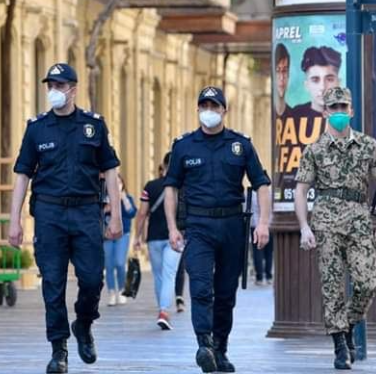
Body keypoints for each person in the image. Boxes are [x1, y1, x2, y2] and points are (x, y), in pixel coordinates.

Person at [8, 63, 122, 374]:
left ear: (73, 89)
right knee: (53, 284)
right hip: (49, 212)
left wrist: (116, 215)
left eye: (59, 86)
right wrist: (14, 219)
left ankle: (83, 323)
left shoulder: (94, 126)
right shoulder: (37, 128)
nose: (54, 92)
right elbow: (22, 175)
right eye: (50, 86)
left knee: (91, 279)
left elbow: (110, 169)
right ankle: (59, 349)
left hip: (86, 211)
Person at [164, 86, 271, 373]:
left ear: (225, 110)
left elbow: (261, 183)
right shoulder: (184, 146)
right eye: (204, 106)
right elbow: (171, 187)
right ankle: (204, 344)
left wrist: (263, 223)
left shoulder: (241, 145)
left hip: (233, 226)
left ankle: (220, 348)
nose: (208, 111)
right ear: (198, 109)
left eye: (214, 106)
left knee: (226, 293)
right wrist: (173, 227)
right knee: (200, 287)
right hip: (198, 226)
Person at [295, 86, 376, 370]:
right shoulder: (314, 150)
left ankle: (347, 326)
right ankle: (339, 345)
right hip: (326, 221)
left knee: (367, 284)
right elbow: (301, 191)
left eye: (343, 107)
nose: (338, 113)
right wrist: (304, 227)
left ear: (351, 111)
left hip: (360, 220)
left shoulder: (367, 145)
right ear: (325, 112)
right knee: (332, 286)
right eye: (333, 107)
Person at [134, 152, 182, 330]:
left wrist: (137, 237)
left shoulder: (151, 186)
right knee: (170, 274)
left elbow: (142, 214)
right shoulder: (182, 186)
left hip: (153, 237)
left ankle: (163, 309)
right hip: (176, 237)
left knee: (159, 275)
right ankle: (164, 310)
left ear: (163, 165)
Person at [104, 173, 137, 306]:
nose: (116, 185)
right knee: (109, 265)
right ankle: (112, 292)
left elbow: (132, 213)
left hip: (123, 235)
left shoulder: (127, 198)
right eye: (114, 183)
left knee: (119, 262)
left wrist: (123, 199)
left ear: (123, 184)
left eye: (119, 183)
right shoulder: (105, 199)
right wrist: (106, 208)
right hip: (107, 235)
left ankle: (122, 290)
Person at [286, 46, 342, 119]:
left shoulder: (347, 114)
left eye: (329, 79)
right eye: (315, 80)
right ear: (306, 85)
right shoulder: (295, 115)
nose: (322, 87)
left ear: (338, 83)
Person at [250, 185, 273, 286]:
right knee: (269, 252)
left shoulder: (251, 194)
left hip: (255, 225)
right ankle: (268, 276)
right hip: (270, 225)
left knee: (257, 251)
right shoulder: (271, 193)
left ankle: (259, 277)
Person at [274, 43, 291, 116]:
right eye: (277, 71)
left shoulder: (294, 115)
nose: (281, 77)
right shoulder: (269, 110)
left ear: (288, 75)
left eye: (284, 71)